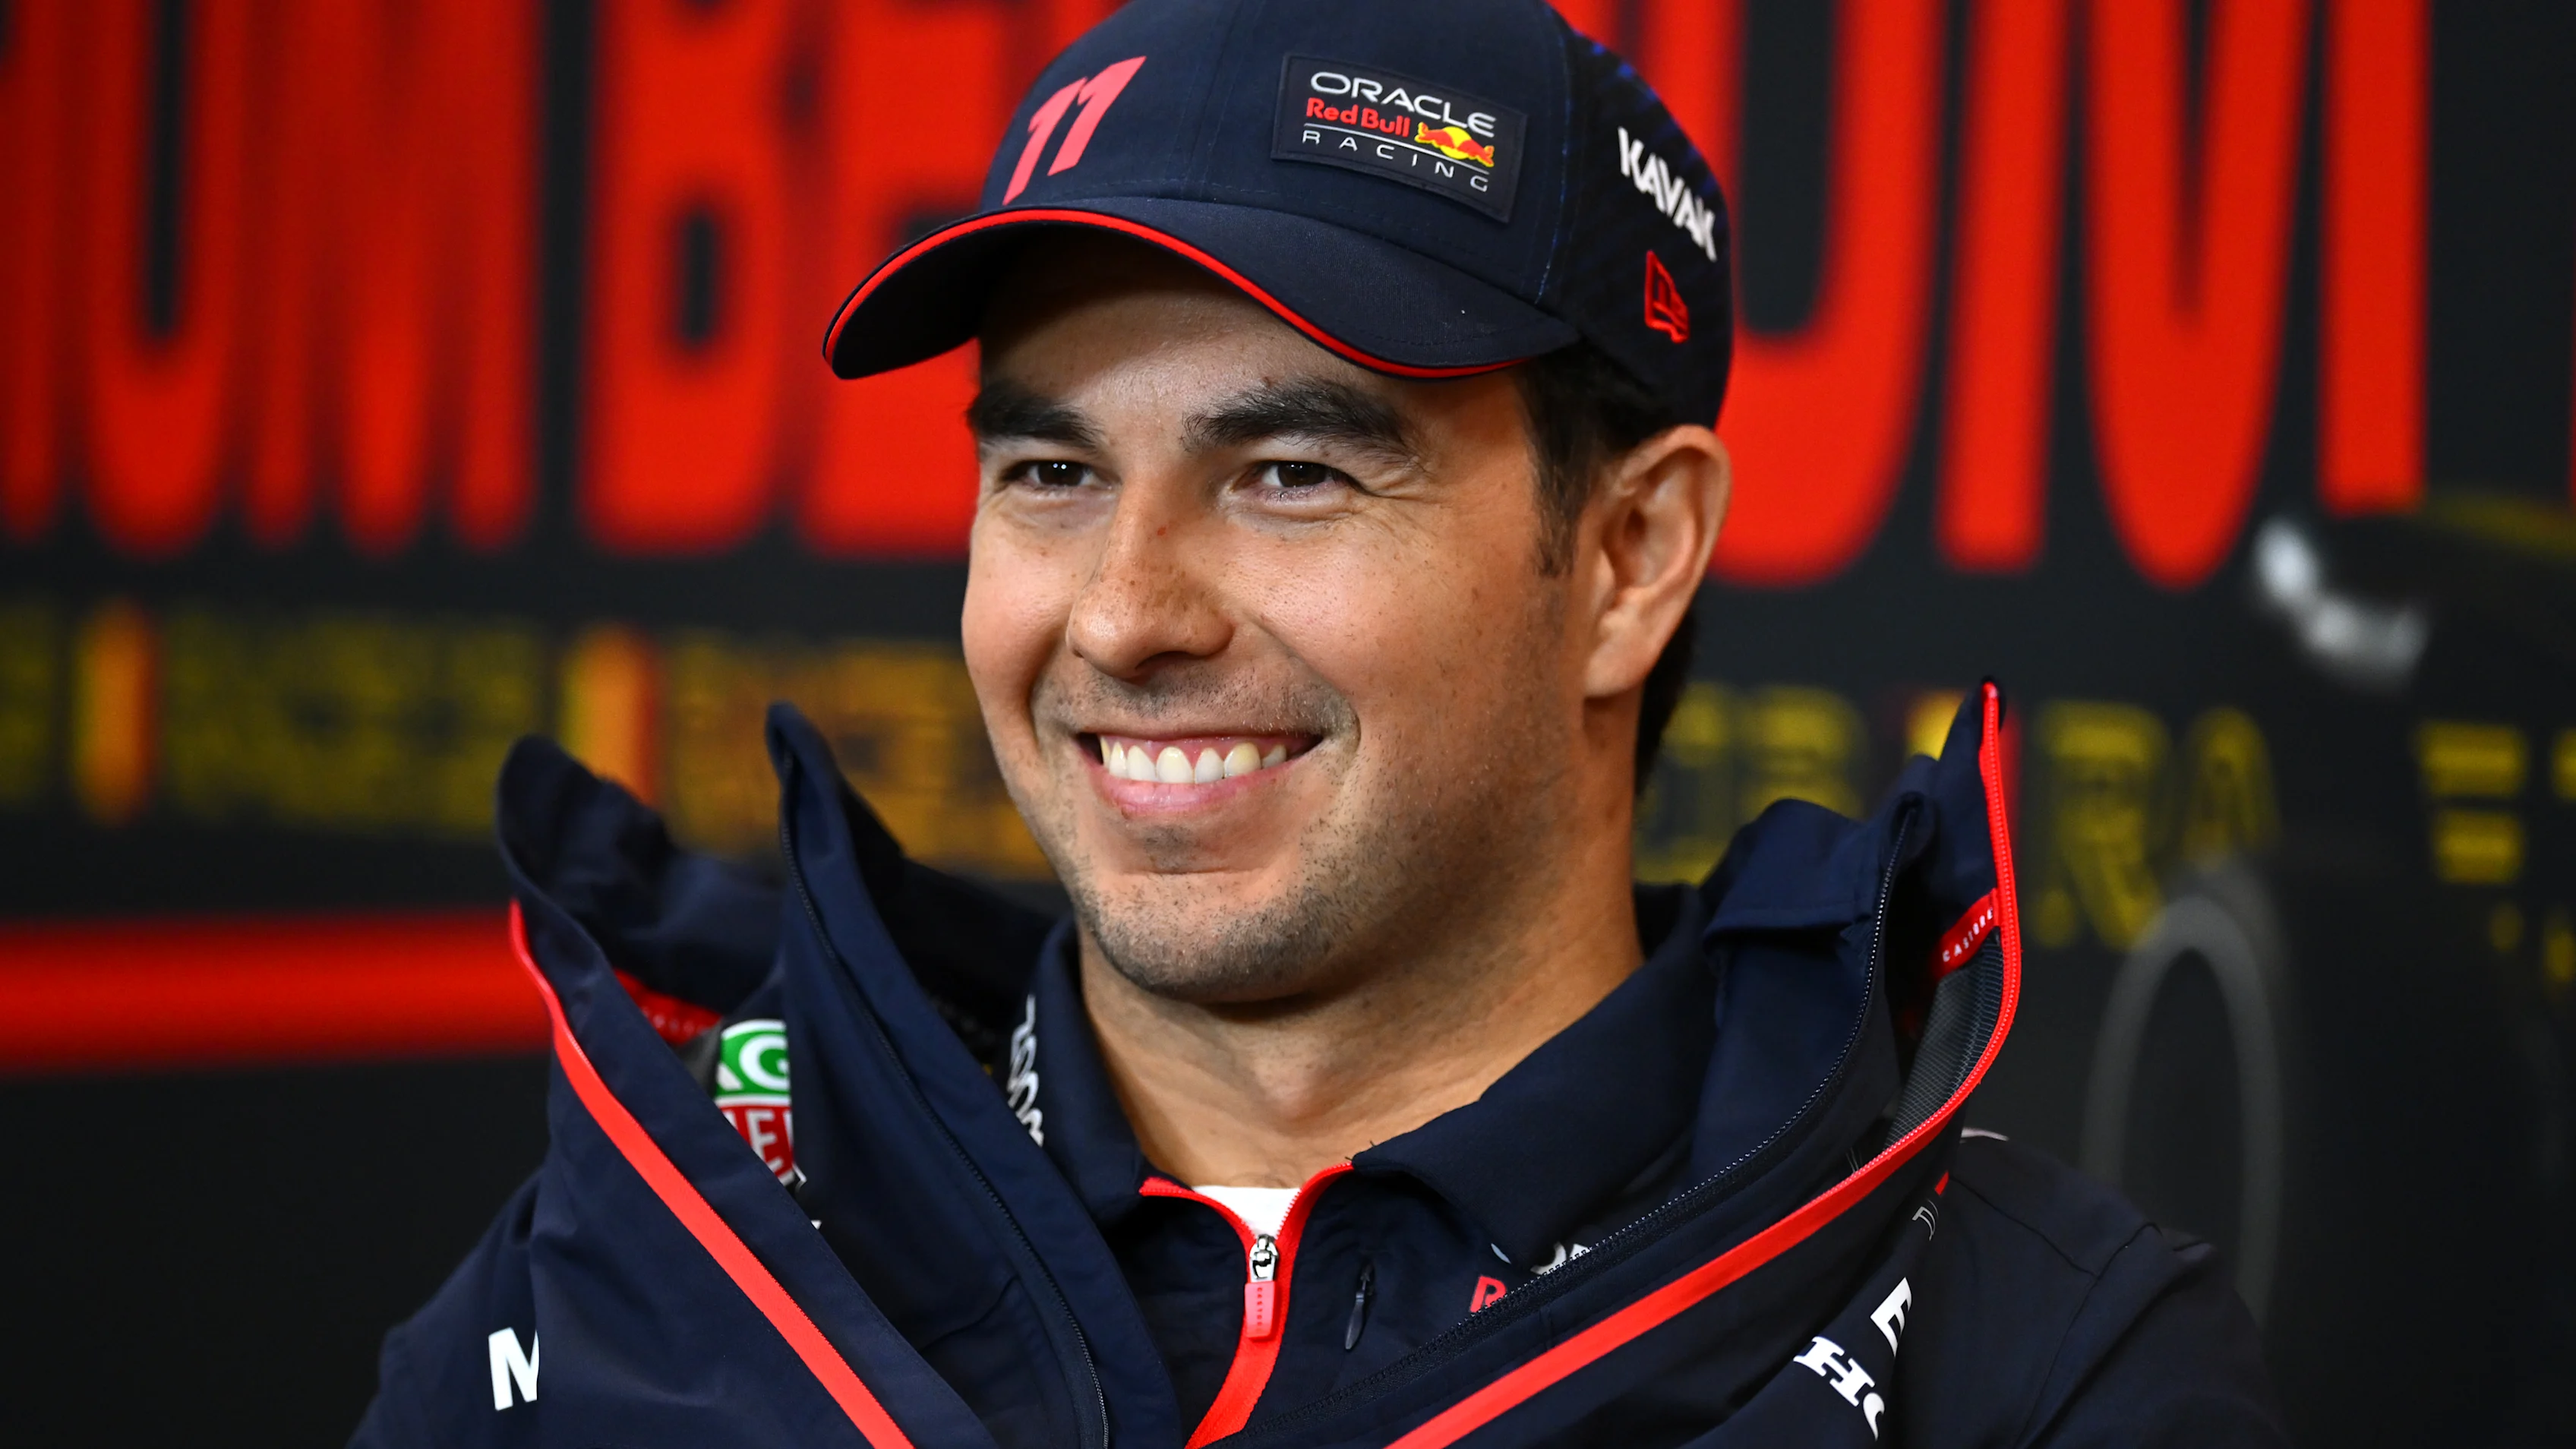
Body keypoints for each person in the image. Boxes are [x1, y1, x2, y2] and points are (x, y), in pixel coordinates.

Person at [355, 1, 2287, 1444]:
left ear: (1628, 555)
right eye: (1047, 472)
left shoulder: (2035, 1370)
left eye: (1286, 471)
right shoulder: (653, 1246)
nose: (1122, 613)